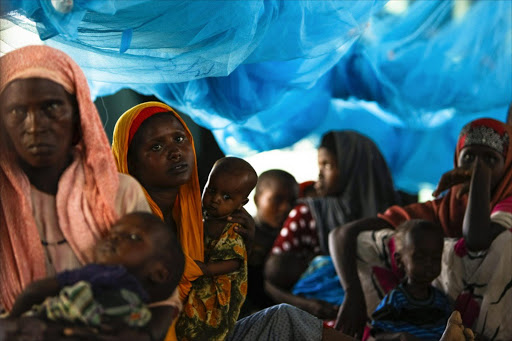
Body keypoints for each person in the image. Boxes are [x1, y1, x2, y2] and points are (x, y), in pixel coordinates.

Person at [0, 45, 151, 316]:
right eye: (17, 112)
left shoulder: (120, 193)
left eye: (52, 107)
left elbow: (157, 291)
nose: (35, 126)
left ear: (79, 113)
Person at [330, 118, 512, 339]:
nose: (477, 166)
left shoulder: (508, 205)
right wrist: (352, 293)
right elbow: (342, 234)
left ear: (508, 166)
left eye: (491, 159)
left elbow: (476, 241)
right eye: (469, 157)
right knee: (380, 240)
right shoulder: (442, 209)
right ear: (457, 160)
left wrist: (478, 179)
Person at [264, 131, 399, 320]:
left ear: (353, 167)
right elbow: (271, 280)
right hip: (321, 317)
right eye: (319, 165)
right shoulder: (308, 215)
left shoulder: (393, 216)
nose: (319, 173)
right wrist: (310, 306)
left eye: (327, 165)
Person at [8, 212, 185, 341]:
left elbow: (35, 291)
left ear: (159, 273)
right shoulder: (138, 317)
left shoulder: (108, 276)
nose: (113, 238)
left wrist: (12, 318)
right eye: (111, 234)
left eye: (132, 237)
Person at [176, 157, 257, 340]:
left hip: (215, 290)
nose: (215, 199)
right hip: (198, 282)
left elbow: (234, 263)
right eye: (211, 190)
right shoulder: (199, 216)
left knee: (205, 326)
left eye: (226, 197)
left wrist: (205, 269)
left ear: (242, 203)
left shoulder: (232, 229)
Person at [370, 220, 451, 340]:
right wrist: (400, 337)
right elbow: (378, 334)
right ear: (399, 261)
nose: (429, 264)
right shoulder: (396, 299)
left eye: (435, 258)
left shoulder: (441, 301)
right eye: (420, 257)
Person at [241, 169, 299, 316]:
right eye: (277, 199)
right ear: (256, 199)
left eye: (292, 201)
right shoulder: (241, 237)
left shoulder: (295, 238)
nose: (286, 208)